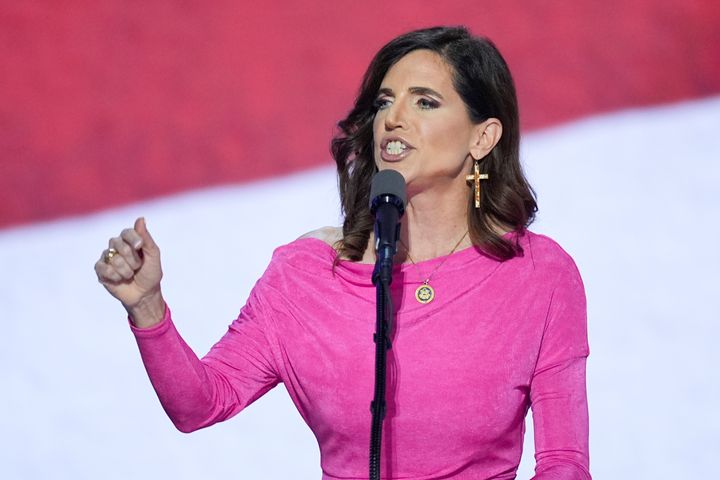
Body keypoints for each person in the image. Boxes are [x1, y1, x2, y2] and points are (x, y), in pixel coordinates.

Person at [94, 26, 591, 480]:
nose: (393, 119)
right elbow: (201, 403)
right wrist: (147, 306)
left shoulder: (539, 275)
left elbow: (564, 465)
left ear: (483, 136)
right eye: (384, 103)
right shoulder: (306, 274)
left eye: (425, 103)